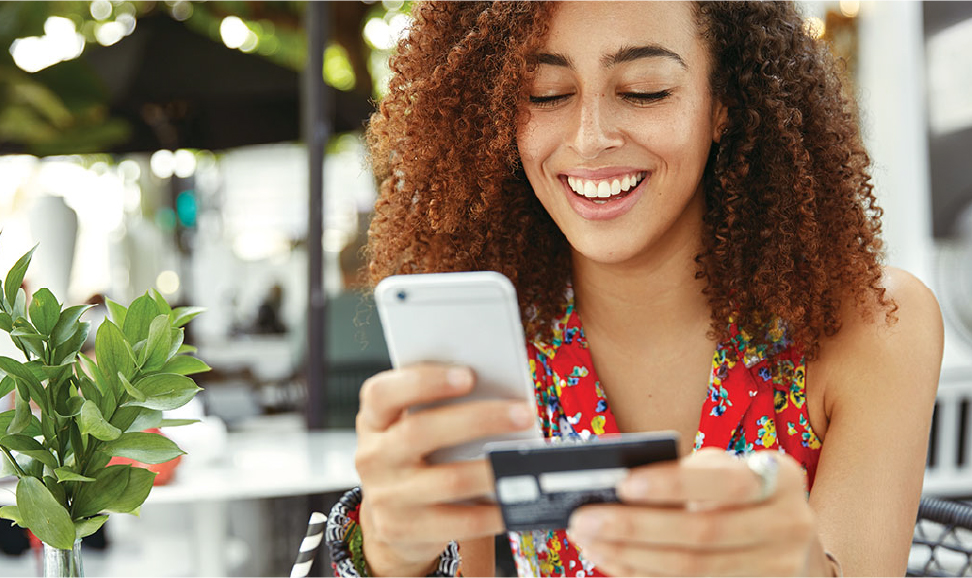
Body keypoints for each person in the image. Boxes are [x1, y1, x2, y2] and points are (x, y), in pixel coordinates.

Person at [326, 2, 944, 576]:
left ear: (724, 100)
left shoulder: (874, 324)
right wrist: (387, 554)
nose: (590, 138)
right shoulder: (487, 337)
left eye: (645, 90)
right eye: (547, 94)